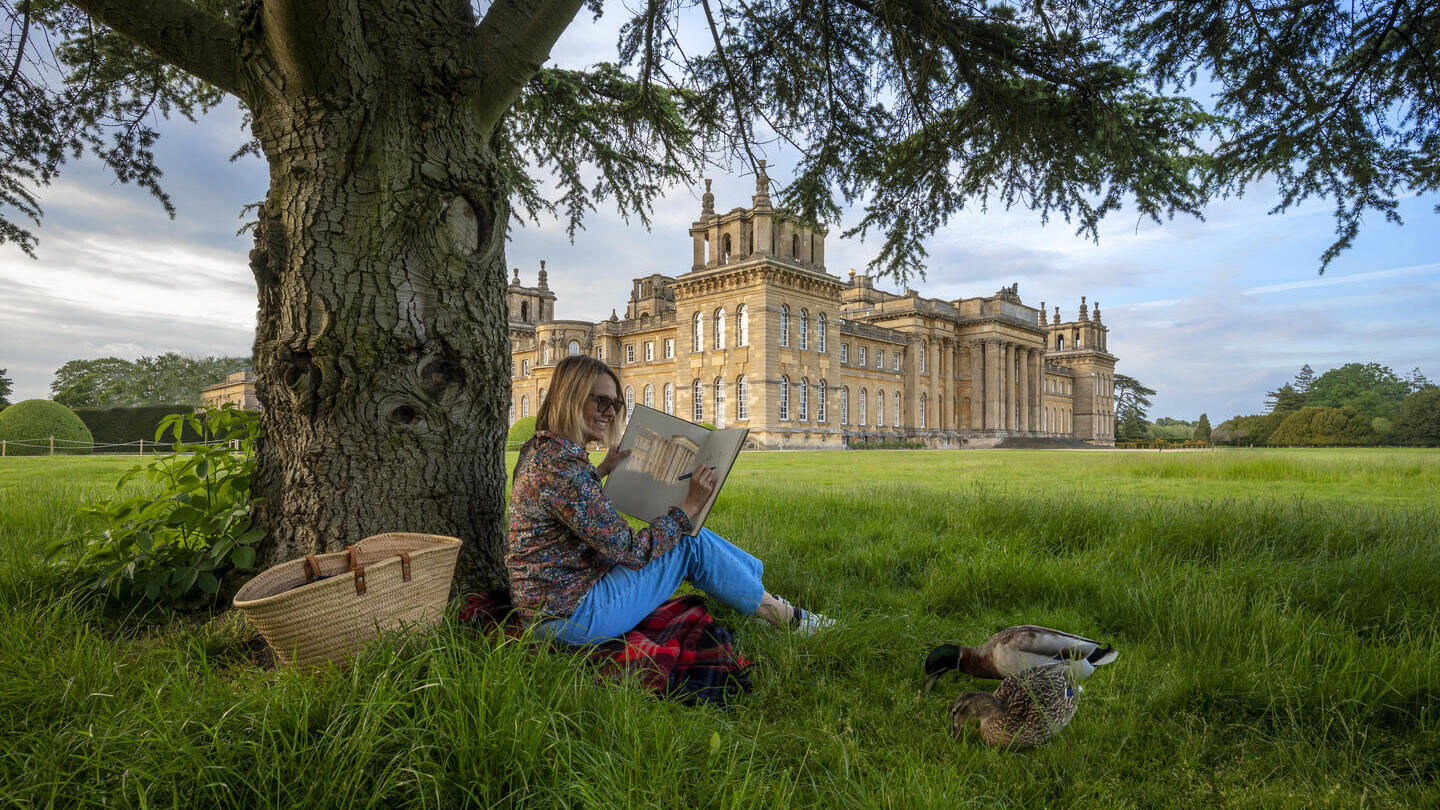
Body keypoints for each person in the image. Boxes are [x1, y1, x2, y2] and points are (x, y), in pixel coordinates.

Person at [507, 354, 833, 645]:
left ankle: (758, 594)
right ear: (572, 398)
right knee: (686, 541)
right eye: (601, 402)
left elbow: (567, 502)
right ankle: (786, 618)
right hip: (569, 619)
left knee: (687, 535)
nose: (610, 412)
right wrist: (689, 507)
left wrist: (603, 469)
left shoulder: (543, 451)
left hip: (549, 606)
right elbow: (632, 552)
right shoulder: (562, 468)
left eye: (616, 404)